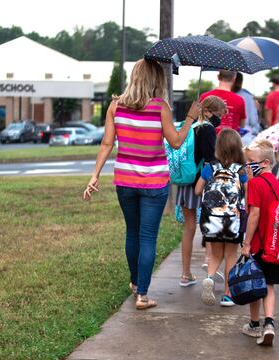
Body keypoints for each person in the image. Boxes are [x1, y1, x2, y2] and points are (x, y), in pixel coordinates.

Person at [83, 58, 201, 310]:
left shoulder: (116, 106)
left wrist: (94, 175)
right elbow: (177, 141)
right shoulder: (161, 108)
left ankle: (136, 284)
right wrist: (190, 118)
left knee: (132, 233)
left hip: (125, 180)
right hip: (154, 182)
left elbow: (106, 143)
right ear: (155, 80)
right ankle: (143, 296)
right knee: (148, 236)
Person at [177, 96, 225, 287]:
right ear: (209, 111)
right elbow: (211, 157)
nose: (219, 118)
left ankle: (185, 274)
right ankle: (209, 266)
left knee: (189, 228)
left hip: (186, 180)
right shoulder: (207, 129)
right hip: (202, 182)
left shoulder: (190, 126)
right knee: (210, 225)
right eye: (218, 114)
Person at [195, 129, 247, 307]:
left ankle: (209, 277)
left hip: (212, 220)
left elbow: (197, 190)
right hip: (233, 220)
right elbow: (248, 192)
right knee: (231, 255)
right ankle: (227, 294)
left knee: (216, 254)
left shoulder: (210, 167)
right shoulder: (241, 170)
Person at [241, 139, 279, 346]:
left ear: (265, 162)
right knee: (269, 285)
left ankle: (254, 324)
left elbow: (253, 214)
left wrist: (247, 243)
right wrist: (250, 182)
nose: (247, 165)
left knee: (254, 284)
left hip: (259, 243)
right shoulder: (275, 182)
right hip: (275, 245)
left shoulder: (256, 183)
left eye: (250, 161)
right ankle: (269, 323)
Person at [200, 70, 246, 134]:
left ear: (218, 77)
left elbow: (199, 119)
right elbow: (242, 125)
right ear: (234, 79)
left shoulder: (205, 96)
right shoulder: (240, 100)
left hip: (208, 139)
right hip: (229, 141)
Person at [232, 72, 261, 139]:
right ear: (241, 81)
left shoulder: (223, 95)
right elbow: (253, 121)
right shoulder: (248, 96)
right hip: (245, 135)